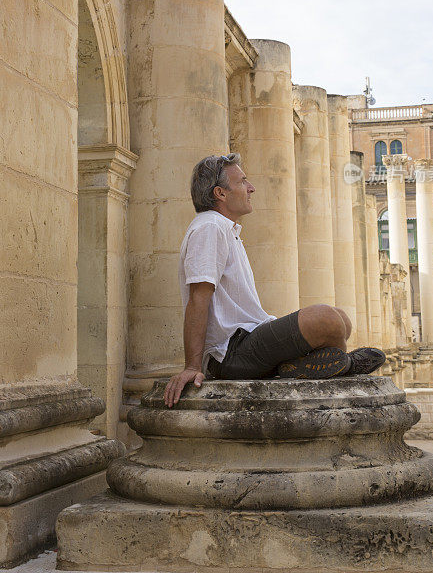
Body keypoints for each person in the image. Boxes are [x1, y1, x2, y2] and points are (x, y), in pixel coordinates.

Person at [164, 153, 386, 407]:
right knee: (328, 320)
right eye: (242, 182)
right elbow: (198, 298)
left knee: (341, 320)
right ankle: (344, 365)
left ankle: (304, 365)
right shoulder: (210, 227)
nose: (251, 188)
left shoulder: (225, 228)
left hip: (247, 338)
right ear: (220, 193)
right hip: (231, 352)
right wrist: (192, 366)